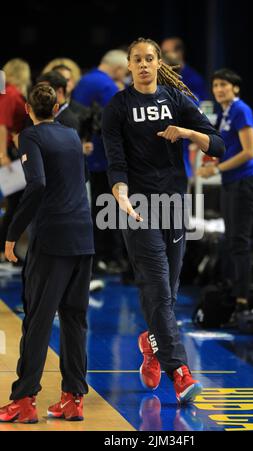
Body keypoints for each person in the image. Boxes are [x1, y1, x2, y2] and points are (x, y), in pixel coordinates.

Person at [102, 37, 224, 403]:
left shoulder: (176, 101)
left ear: (158, 63)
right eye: (137, 59)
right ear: (128, 65)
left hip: (173, 203)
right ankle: (181, 372)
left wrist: (187, 133)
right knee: (155, 286)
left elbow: (218, 145)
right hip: (136, 206)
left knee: (167, 295)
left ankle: (151, 342)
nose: (143, 64)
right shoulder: (117, 107)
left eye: (149, 58)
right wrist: (119, 191)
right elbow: (115, 159)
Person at [0, 84, 94, 423]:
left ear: (27, 109)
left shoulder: (30, 137)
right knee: (74, 318)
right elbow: (81, 176)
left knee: (38, 320)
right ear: (56, 108)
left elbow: (36, 184)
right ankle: (73, 398)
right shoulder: (71, 135)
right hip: (83, 235)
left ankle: (24, 400)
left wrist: (11, 233)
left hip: (52, 239)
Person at [198, 68, 253, 311]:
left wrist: (216, 169)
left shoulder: (241, 109)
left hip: (244, 181)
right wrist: (212, 164)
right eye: (215, 86)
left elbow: (249, 152)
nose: (219, 89)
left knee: (239, 241)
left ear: (235, 88)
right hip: (231, 181)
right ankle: (233, 292)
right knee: (231, 239)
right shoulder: (226, 112)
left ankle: (242, 300)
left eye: (224, 85)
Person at [73, 50, 128, 275]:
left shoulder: (85, 80)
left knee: (98, 205)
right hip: (104, 157)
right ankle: (108, 257)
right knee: (107, 207)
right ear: (117, 69)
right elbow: (122, 117)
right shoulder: (106, 86)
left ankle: (97, 256)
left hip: (88, 153)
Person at [0, 59, 31, 261]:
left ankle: (6, 250)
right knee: (15, 204)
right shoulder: (11, 94)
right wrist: (2, 156)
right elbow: (2, 126)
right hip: (10, 155)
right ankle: (6, 250)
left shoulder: (9, 93)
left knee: (15, 204)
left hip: (11, 153)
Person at [161, 37, 208, 102]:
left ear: (179, 53)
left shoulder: (194, 79)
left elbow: (200, 103)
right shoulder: (160, 77)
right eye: (163, 53)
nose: (162, 57)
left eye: (166, 52)